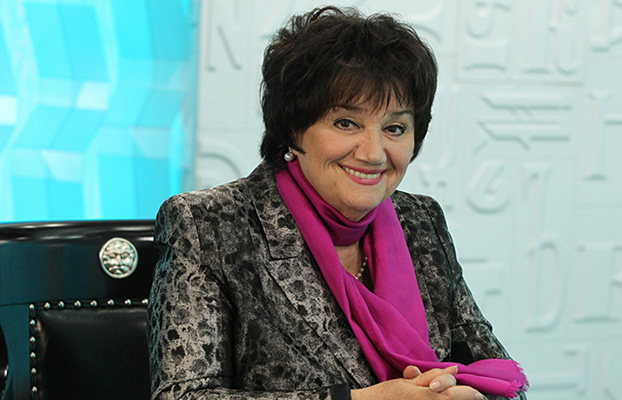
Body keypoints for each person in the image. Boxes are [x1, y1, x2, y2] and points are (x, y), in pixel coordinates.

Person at [147, 6, 528, 400]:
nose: (374, 153)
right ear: (293, 126)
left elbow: (496, 373)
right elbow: (183, 396)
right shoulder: (208, 224)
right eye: (346, 123)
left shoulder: (421, 221)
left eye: (395, 128)